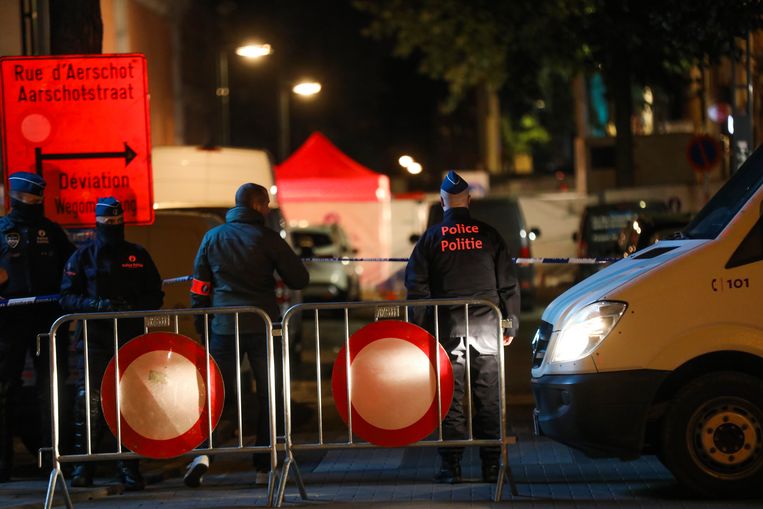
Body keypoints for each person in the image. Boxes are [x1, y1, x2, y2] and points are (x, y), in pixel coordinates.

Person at [183, 183, 309, 488]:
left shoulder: (212, 237)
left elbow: (199, 285)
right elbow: (299, 278)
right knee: (270, 393)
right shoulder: (267, 238)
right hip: (262, 325)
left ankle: (202, 456)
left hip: (223, 326)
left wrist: (202, 323)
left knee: (215, 394)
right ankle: (265, 464)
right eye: (265, 205)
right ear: (258, 206)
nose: (267, 210)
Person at [404, 170, 520, 484]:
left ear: (442, 202)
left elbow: (417, 289)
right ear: (468, 200)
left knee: (450, 399)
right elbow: (507, 283)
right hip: (487, 328)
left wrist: (419, 327)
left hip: (448, 329)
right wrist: (510, 323)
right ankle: (491, 466)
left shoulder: (430, 239)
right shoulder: (489, 234)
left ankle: (451, 466)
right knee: (489, 397)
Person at [60, 197, 164, 491]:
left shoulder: (138, 255)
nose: (113, 227)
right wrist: (95, 304)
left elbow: (155, 294)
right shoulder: (83, 258)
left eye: (117, 223)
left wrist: (133, 307)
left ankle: (129, 468)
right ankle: (84, 466)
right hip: (94, 340)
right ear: (98, 223)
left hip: (129, 338)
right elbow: (66, 297)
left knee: (130, 403)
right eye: (108, 223)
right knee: (89, 404)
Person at [0, 172, 75, 482]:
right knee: (5, 390)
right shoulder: (2, 231)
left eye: (37, 199)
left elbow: (72, 268)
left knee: (53, 388)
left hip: (48, 319)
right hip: (9, 322)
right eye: (31, 199)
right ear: (18, 198)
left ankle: (56, 458)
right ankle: (4, 464)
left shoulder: (52, 232)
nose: (35, 203)